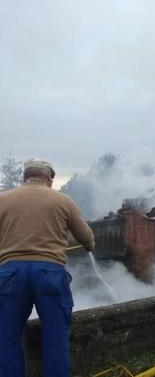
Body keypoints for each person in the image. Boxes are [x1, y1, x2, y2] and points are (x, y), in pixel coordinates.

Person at [0, 159, 95, 377]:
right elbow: (86, 237)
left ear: (26, 177)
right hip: (49, 273)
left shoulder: (2, 200)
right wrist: (89, 246)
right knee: (55, 338)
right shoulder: (62, 200)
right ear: (49, 178)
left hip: (9, 274)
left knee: (6, 337)